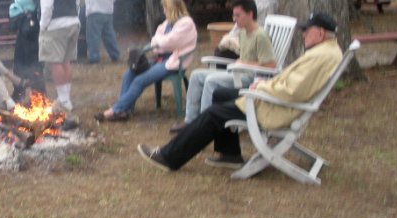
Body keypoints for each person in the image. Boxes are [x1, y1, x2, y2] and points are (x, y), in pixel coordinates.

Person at [137, 12, 342, 172]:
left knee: (213, 114)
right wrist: (262, 84)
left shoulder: (319, 57)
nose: (304, 33)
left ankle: (169, 157)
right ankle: (230, 154)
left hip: (273, 107)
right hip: (271, 99)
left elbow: (292, 91)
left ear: (321, 33)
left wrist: (260, 86)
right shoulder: (325, 51)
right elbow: (292, 85)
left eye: (308, 30)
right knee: (220, 94)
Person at [171, 0, 276, 134]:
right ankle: (190, 120)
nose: (234, 19)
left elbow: (270, 65)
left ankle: (203, 127)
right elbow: (243, 57)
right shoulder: (243, 32)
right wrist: (239, 62)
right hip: (237, 72)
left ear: (250, 14)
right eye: (233, 15)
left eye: (238, 15)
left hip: (250, 78)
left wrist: (243, 63)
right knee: (196, 75)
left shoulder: (260, 35)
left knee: (211, 81)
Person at [95, 0, 197, 122]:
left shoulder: (186, 23)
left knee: (140, 80)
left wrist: (160, 41)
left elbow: (169, 42)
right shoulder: (168, 23)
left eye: (165, 8)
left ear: (173, 8)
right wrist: (161, 42)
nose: (163, 11)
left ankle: (115, 110)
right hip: (160, 59)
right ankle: (123, 111)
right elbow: (156, 39)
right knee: (129, 73)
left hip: (174, 62)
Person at [35, 0, 80, 113]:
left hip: (55, 25)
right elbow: (76, 1)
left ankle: (63, 100)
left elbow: (46, 7)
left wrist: (43, 26)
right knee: (66, 61)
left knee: (55, 62)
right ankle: (66, 98)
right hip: (73, 21)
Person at [8, 0, 42, 84]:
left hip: (30, 29)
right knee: (20, 61)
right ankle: (21, 91)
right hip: (24, 27)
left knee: (29, 61)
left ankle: (35, 92)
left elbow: (40, 5)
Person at [79, 0, 120, 64]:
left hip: (95, 11)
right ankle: (115, 55)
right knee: (109, 35)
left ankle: (94, 58)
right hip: (108, 10)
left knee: (93, 36)